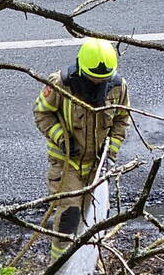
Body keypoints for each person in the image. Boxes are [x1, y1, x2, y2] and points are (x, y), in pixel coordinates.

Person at [33, 38, 130, 259]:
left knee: (95, 221)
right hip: (68, 164)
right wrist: (62, 139)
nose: (98, 83)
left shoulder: (117, 87)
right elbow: (41, 112)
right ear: (81, 69)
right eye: (93, 79)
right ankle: (58, 271)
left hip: (98, 165)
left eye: (102, 80)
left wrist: (110, 155)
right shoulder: (60, 83)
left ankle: (87, 272)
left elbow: (122, 120)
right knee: (69, 217)